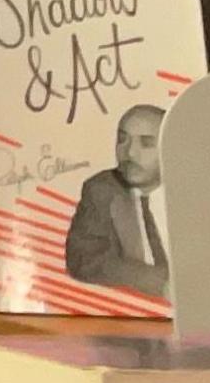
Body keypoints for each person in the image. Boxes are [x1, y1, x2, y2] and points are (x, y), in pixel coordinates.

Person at [64, 103, 172, 300]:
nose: (129, 153)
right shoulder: (102, 190)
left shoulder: (195, 189)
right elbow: (84, 259)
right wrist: (158, 282)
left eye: (146, 143)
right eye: (122, 140)